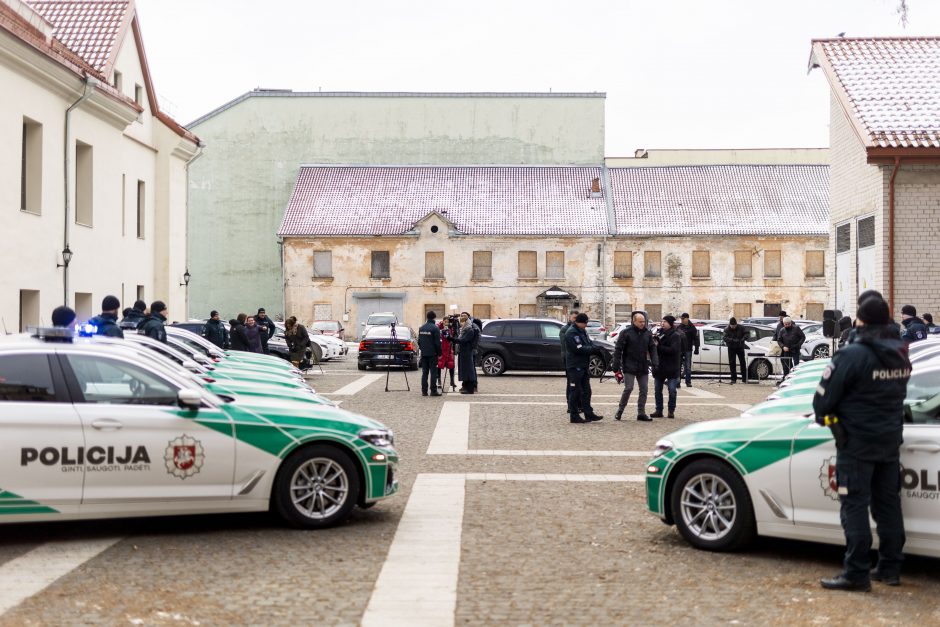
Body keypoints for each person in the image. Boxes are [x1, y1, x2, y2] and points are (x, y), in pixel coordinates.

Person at [813, 295, 910, 592]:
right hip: (889, 440)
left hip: (856, 444)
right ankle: (890, 568)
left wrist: (834, 426)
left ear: (861, 320)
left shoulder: (852, 354)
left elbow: (822, 404)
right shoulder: (901, 352)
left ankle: (856, 573)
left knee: (854, 505)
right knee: (888, 505)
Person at [612, 312, 658, 422]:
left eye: (644, 321)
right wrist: (616, 364)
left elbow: (652, 348)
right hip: (629, 365)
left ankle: (641, 412)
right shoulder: (626, 333)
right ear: (634, 321)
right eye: (640, 322)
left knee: (644, 389)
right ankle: (620, 410)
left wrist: (655, 362)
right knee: (628, 388)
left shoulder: (647, 333)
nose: (643, 323)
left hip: (642, 365)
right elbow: (618, 349)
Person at [564, 313, 603, 423]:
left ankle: (588, 414)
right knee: (575, 391)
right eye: (585, 323)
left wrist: (595, 347)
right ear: (579, 322)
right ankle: (574, 415)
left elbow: (588, 343)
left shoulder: (582, 331)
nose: (586, 325)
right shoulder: (572, 333)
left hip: (583, 365)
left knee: (587, 391)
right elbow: (578, 349)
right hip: (575, 366)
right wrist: (593, 350)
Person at [651, 315, 682, 419]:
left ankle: (671, 410)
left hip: (672, 367)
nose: (662, 323)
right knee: (657, 390)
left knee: (672, 390)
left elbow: (673, 350)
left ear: (670, 323)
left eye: (665, 322)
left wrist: (658, 346)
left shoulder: (676, 335)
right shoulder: (659, 333)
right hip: (659, 367)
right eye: (662, 321)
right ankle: (658, 410)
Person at [418, 311, 443, 396]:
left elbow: (419, 342)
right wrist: (439, 353)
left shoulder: (421, 328)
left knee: (424, 373)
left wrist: (423, 349)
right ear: (434, 318)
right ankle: (433, 391)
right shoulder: (435, 328)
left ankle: (424, 391)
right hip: (433, 354)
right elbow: (437, 343)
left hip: (424, 354)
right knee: (433, 373)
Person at [559, 310, 580, 408]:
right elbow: (566, 345)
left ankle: (578, 404)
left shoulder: (578, 329)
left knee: (578, 382)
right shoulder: (565, 329)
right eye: (574, 318)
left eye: (577, 318)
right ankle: (570, 405)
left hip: (577, 359)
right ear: (570, 317)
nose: (575, 320)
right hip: (568, 358)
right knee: (571, 382)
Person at [455, 313, 478, 394]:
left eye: (462, 322)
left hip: (468, 352)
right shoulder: (464, 329)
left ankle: (470, 388)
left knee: (469, 370)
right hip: (464, 352)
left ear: (466, 322)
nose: (460, 324)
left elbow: (463, 340)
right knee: (465, 370)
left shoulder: (469, 330)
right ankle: (466, 387)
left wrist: (453, 339)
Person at [723, 317, 748, 384]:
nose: (733, 327)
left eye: (734, 326)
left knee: (742, 363)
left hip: (740, 347)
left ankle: (744, 379)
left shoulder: (741, 328)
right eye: (732, 326)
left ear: (736, 324)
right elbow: (725, 338)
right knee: (732, 363)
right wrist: (733, 340)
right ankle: (733, 379)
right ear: (730, 325)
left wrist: (743, 339)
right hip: (731, 348)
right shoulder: (726, 329)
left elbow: (747, 334)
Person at [678, 313, 699, 387]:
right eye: (681, 319)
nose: (682, 320)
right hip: (680, 349)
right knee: (678, 365)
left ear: (687, 318)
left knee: (688, 366)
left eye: (683, 319)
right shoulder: (679, 327)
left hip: (688, 349)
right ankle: (678, 382)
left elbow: (696, 339)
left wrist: (697, 349)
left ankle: (688, 381)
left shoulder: (692, 328)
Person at [437, 319, 456, 392]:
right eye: (445, 322)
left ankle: (452, 381)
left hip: (449, 349)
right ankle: (439, 381)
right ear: (442, 322)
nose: (446, 323)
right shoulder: (439, 328)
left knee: (451, 366)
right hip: (441, 350)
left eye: (447, 322)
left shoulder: (451, 329)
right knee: (439, 366)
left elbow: (452, 337)